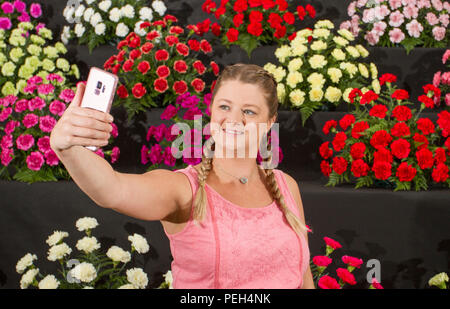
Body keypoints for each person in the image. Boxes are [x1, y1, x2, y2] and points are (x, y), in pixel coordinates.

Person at [50, 63, 314, 289]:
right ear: (211, 112)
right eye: (224, 106)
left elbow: (303, 277)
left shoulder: (284, 185)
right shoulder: (184, 189)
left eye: (249, 111)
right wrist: (65, 147)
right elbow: (113, 189)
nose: (233, 119)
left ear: (270, 122)